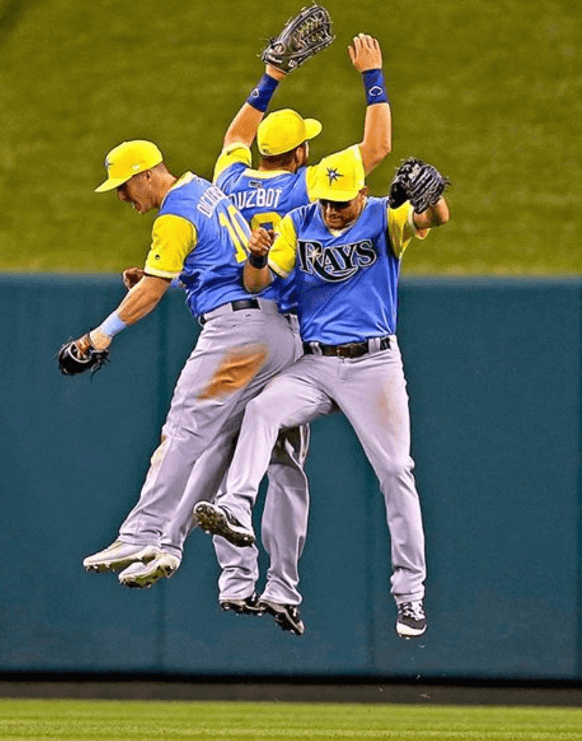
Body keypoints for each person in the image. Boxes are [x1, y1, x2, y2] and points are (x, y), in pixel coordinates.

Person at [122, 33, 394, 636]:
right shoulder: (307, 188)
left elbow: (234, 138)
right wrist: (372, 76)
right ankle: (276, 586)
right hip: (285, 332)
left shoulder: (231, 180)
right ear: (301, 155)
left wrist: (271, 75)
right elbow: (375, 148)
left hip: (232, 318)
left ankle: (225, 573)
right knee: (283, 467)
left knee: (216, 447)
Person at [193, 147, 450, 640]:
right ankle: (236, 507)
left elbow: (434, 218)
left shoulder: (382, 216)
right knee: (262, 409)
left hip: (374, 364)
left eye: (341, 201)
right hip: (316, 362)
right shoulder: (298, 221)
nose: (332, 210)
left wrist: (434, 196)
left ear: (362, 191)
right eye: (326, 200)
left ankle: (410, 595)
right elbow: (259, 281)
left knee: (397, 471)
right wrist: (257, 255)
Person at [76, 139, 301, 589]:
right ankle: (169, 542)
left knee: (181, 432)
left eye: (124, 186)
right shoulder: (203, 189)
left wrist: (96, 338)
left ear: (147, 174)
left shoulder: (173, 215)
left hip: (238, 335)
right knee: (215, 445)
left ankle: (139, 531)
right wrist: (177, 274)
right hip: (279, 332)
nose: (122, 197)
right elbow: (220, 256)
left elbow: (151, 294)